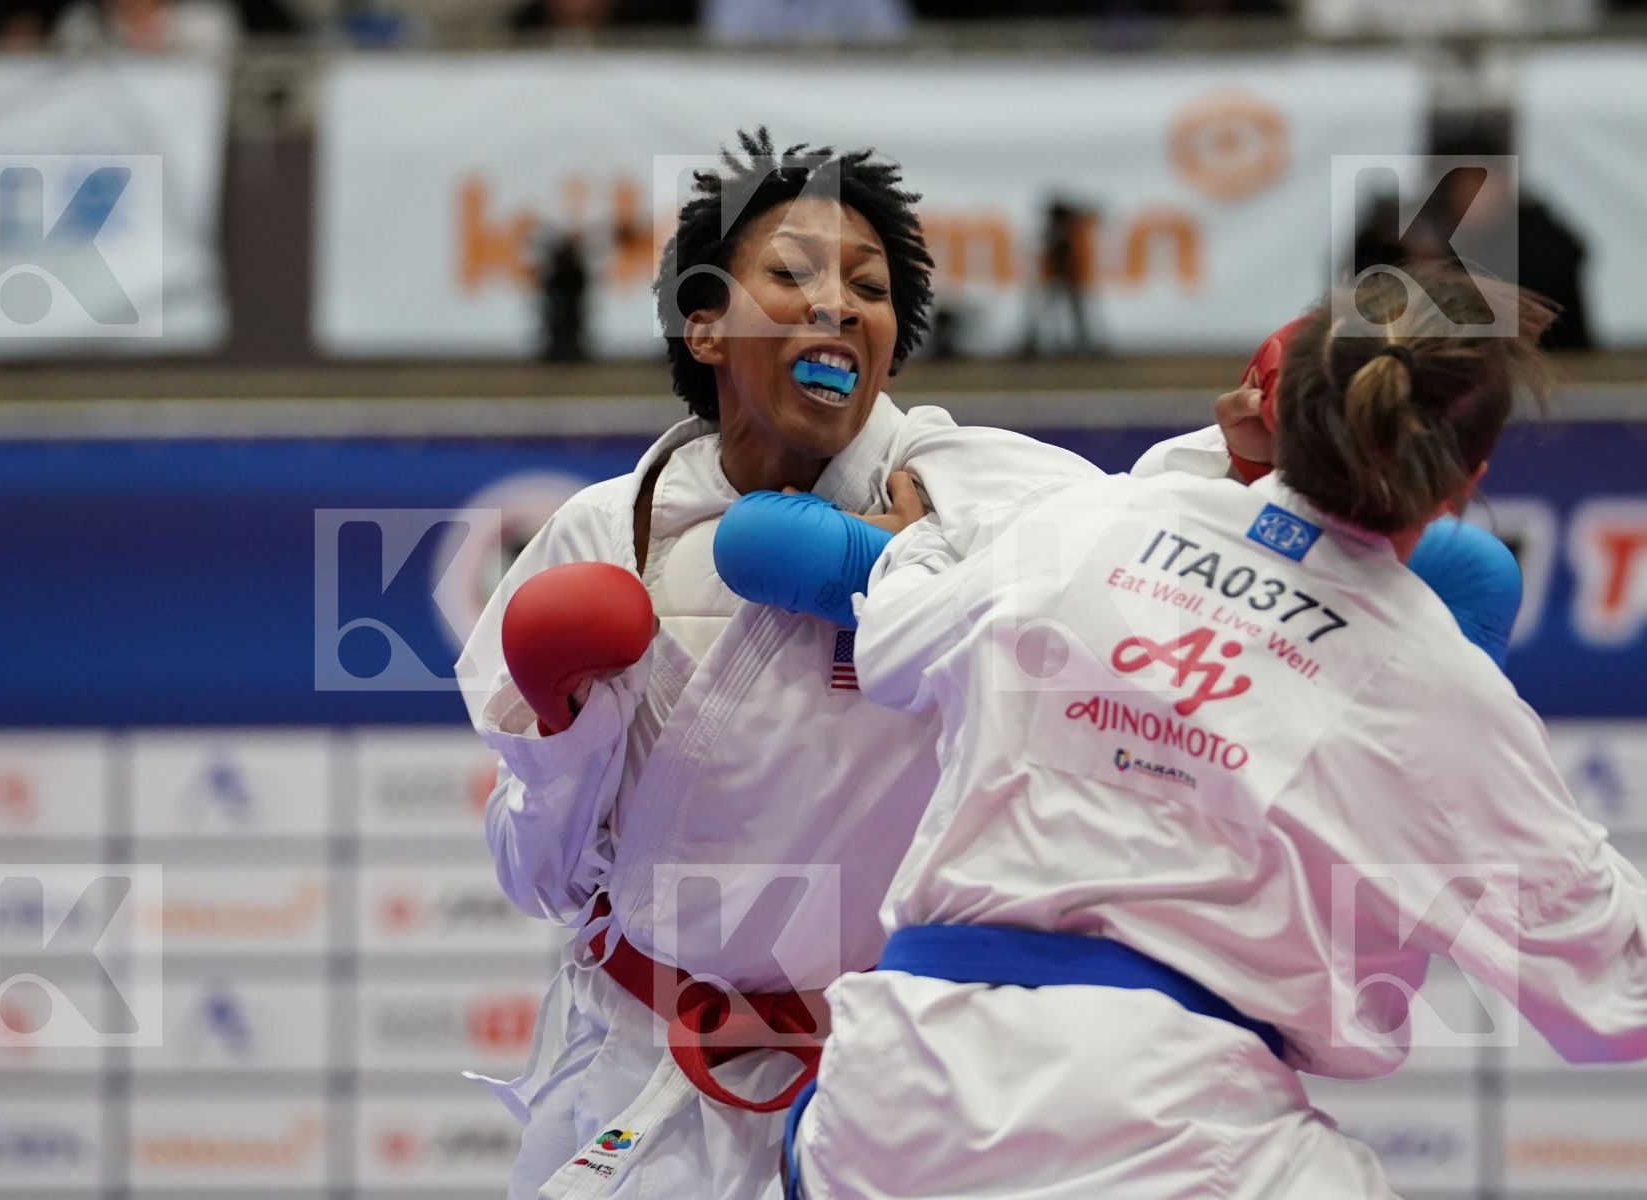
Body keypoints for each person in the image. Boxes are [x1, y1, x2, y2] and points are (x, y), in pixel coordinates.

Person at [456, 129, 1250, 1200]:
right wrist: (562, 734)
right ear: (705, 324)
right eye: (790, 274)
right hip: (640, 1059)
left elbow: (1150, 535)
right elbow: (537, 878)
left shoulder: (968, 493)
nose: (836, 303)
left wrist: (1262, 457)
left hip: (885, 1087)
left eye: (869, 288)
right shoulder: (609, 533)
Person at [787, 264, 1647, 1198]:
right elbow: (1613, 998)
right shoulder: (1429, 677)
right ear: (1462, 488)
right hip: (1156, 1120)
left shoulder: (1090, 521)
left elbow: (893, 652)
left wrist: (915, 547)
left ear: (1273, 415)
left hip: (890, 1087)